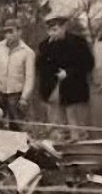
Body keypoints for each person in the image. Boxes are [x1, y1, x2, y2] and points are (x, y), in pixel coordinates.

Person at [36, 12, 94, 140]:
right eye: (50, 30)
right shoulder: (45, 46)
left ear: (63, 27)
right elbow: (40, 67)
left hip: (74, 92)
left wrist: (68, 73)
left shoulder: (78, 42)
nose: (52, 33)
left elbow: (88, 64)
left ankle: (80, 148)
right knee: (58, 130)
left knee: (77, 129)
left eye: (55, 29)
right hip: (53, 93)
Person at [0, 18, 36, 130]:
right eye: (6, 32)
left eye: (11, 31)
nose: (8, 35)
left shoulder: (28, 52)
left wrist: (24, 97)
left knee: (17, 125)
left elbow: (29, 77)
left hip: (16, 94)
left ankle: (17, 147)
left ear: (19, 32)